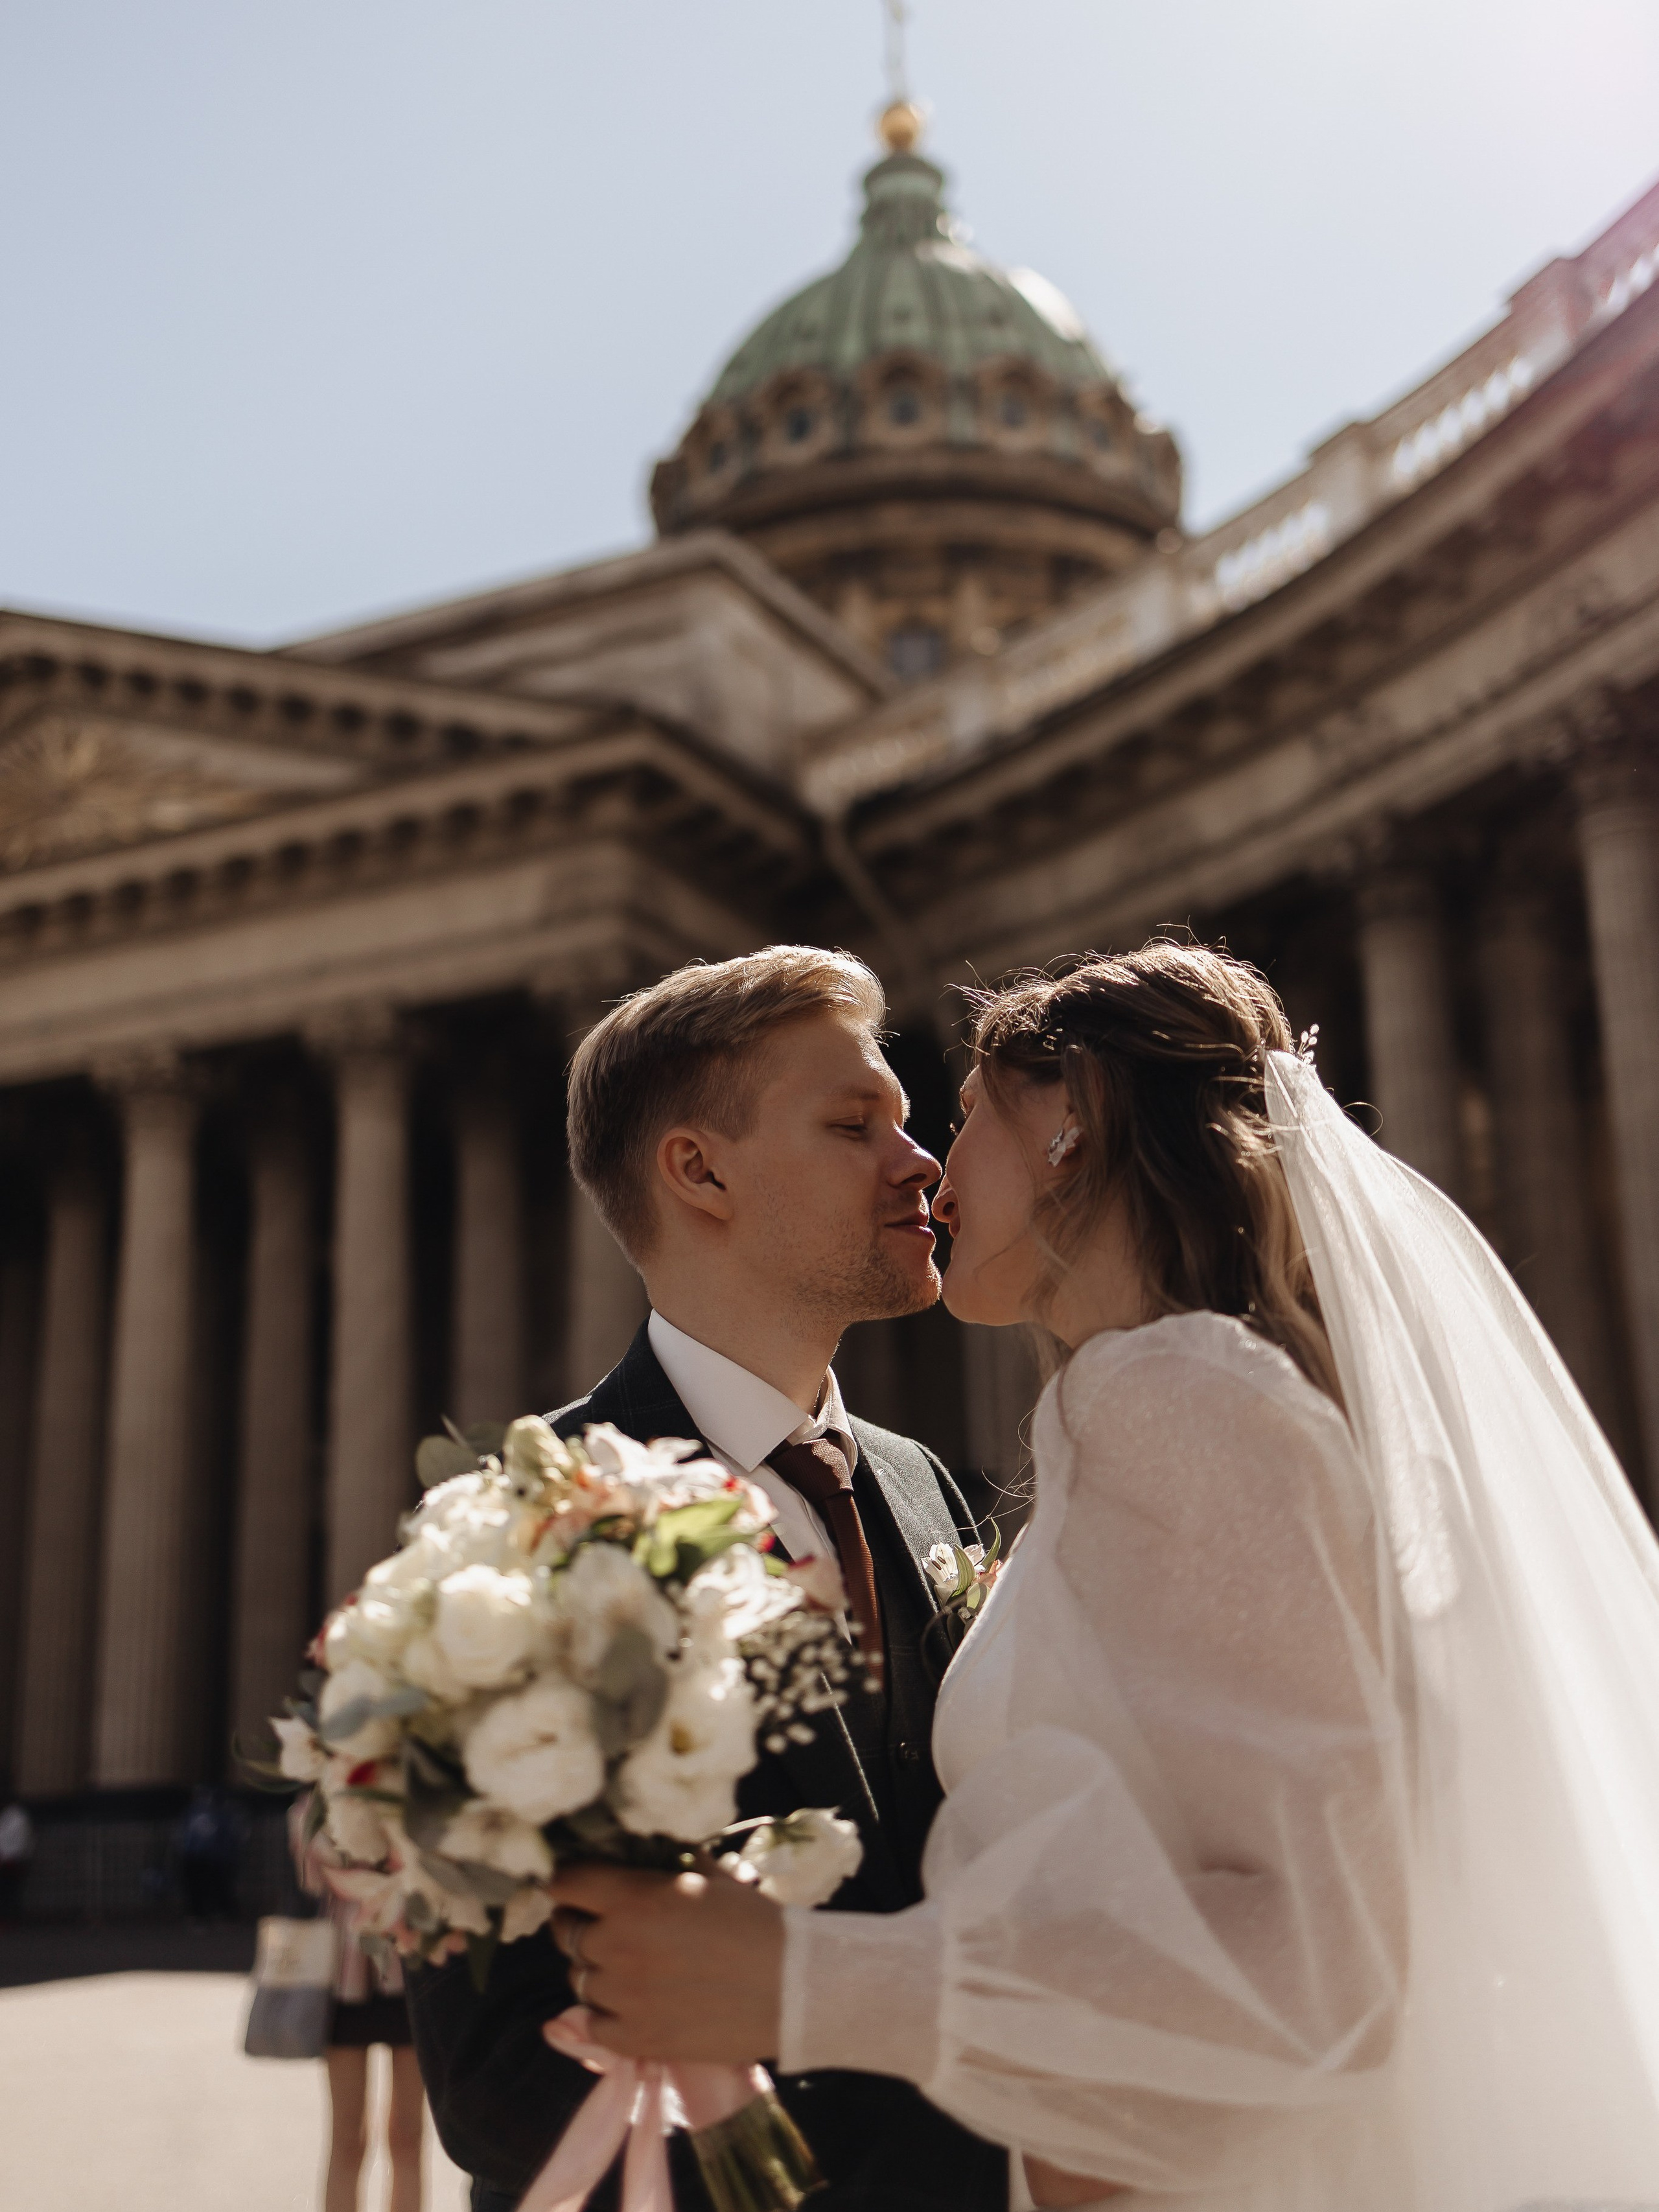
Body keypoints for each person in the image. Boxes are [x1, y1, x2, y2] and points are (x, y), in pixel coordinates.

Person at [550, 940, 1659, 2211]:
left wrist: (804, 1982)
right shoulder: (1137, 1399)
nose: (928, 1166)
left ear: (1069, 1129)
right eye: (872, 1122)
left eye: (955, 1117)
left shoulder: (1175, 1395)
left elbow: (1325, 1956)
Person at [406, 945, 1010, 2212]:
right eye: (856, 1123)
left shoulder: (924, 1485)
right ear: (699, 1169)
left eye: (910, 1121)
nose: (924, 1163)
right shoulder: (518, 1531)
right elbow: (493, 2073)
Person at [294, 1797, 427, 2212]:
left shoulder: (414, 1792)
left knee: (407, 2135)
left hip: (412, 1973)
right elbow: (312, 1878)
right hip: (343, 1981)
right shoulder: (314, 1804)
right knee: (348, 2136)